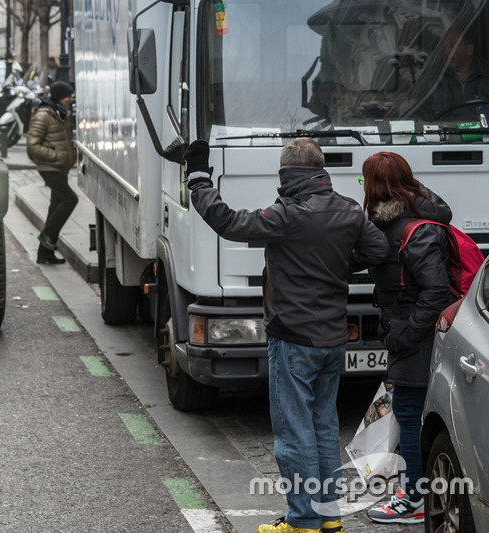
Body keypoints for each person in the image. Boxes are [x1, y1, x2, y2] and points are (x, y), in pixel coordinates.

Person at [183, 138, 390, 533]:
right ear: (320, 169)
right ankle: (329, 517)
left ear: (287, 174)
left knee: (294, 434)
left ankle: (302, 522)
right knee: (325, 429)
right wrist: (338, 265)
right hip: (332, 338)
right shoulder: (348, 210)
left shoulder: (288, 214)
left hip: (293, 337)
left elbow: (228, 221)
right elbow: (378, 250)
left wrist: (198, 180)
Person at [360, 152, 457, 524]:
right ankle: (412, 490)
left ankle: (415, 500)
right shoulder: (397, 221)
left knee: (409, 414)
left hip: (417, 337)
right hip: (408, 332)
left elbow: (436, 292)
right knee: (407, 413)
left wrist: (406, 334)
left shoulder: (418, 230)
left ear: (378, 185)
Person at [26, 81, 78, 265]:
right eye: (68, 96)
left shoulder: (60, 113)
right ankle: (47, 236)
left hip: (60, 167)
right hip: (50, 167)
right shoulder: (43, 115)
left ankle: (45, 254)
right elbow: (32, 145)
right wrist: (55, 156)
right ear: (59, 97)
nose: (71, 99)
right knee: (70, 199)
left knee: (54, 208)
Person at [419, 29, 489, 121]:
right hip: (446, 134)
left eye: (452, 46)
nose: (446, 52)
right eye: (444, 47)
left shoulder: (486, 75)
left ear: (469, 49)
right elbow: (418, 117)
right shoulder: (431, 78)